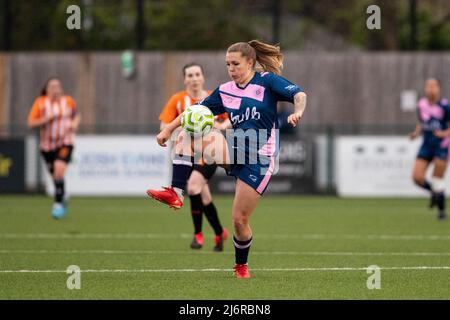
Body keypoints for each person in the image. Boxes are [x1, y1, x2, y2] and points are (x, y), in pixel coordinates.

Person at [147, 40, 307, 278]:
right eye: (227, 64)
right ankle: (176, 193)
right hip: (234, 147)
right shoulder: (224, 90)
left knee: (239, 221)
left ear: (250, 63)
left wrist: (298, 111)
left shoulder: (267, 81)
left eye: (236, 64)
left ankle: (241, 266)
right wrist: (168, 129)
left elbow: (299, 94)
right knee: (186, 134)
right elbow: (193, 113)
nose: (231, 69)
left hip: (260, 158)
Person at [159, 63, 230, 251]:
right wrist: (187, 128)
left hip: (207, 153)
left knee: (192, 187)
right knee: (203, 197)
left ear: (203, 77)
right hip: (185, 153)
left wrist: (222, 126)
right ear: (185, 79)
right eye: (190, 75)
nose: (194, 78)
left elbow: (231, 118)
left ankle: (198, 235)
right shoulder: (178, 100)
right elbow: (164, 125)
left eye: (197, 74)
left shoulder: (211, 98)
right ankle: (219, 232)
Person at [28, 78, 80, 219]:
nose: (56, 88)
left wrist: (74, 124)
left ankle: (57, 205)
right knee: (55, 175)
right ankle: (63, 195)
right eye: (52, 86)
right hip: (47, 145)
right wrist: (46, 119)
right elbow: (31, 123)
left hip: (65, 142)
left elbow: (76, 115)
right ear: (47, 89)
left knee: (58, 170)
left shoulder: (68, 101)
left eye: (58, 86)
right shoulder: (40, 103)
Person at [410, 78, 450, 221]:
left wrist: (444, 133)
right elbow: (421, 122)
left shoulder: (445, 106)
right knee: (417, 177)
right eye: (428, 86)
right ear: (425, 88)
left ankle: (441, 212)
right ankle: (434, 193)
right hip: (427, 145)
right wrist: (415, 133)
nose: (431, 89)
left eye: (434, 86)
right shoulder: (421, 104)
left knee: (437, 179)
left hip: (442, 145)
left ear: (438, 89)